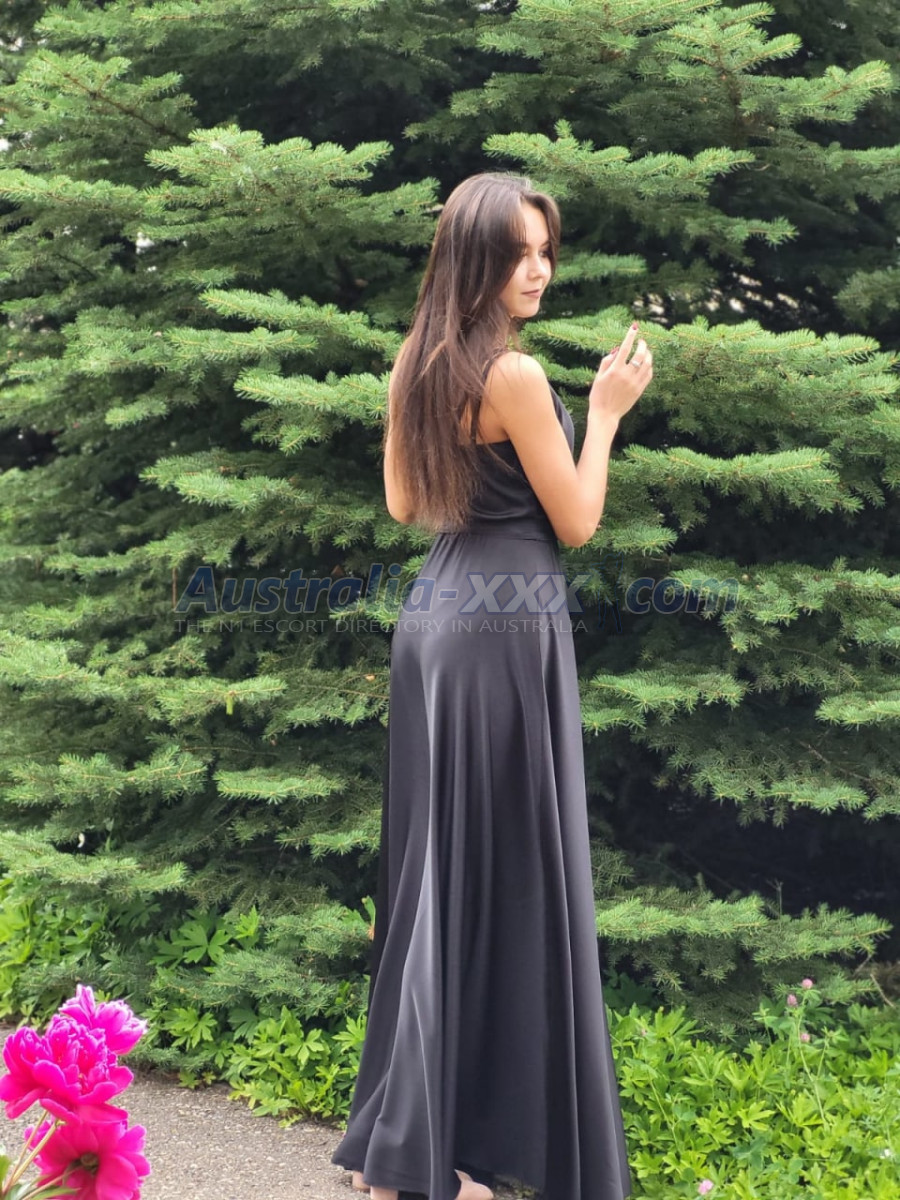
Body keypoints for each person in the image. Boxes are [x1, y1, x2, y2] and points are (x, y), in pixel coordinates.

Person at [331, 171, 652, 1200]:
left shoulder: (414, 361)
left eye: (546, 250)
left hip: (438, 615)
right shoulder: (512, 375)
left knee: (442, 872)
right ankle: (415, 1155)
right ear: (474, 259)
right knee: (494, 870)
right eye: (519, 252)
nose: (539, 269)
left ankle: (405, 1146)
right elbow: (579, 522)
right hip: (506, 627)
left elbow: (402, 504)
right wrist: (604, 414)